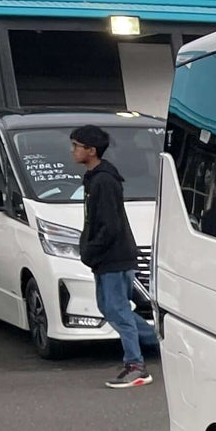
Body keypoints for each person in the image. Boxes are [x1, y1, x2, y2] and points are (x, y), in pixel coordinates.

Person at [70, 124, 157, 388]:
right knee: (110, 308)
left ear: (91, 150)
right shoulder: (95, 178)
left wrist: (90, 250)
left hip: (113, 257)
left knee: (117, 309)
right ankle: (158, 341)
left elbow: (110, 226)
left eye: (76, 146)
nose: (72, 150)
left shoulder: (104, 181)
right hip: (107, 258)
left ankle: (136, 365)